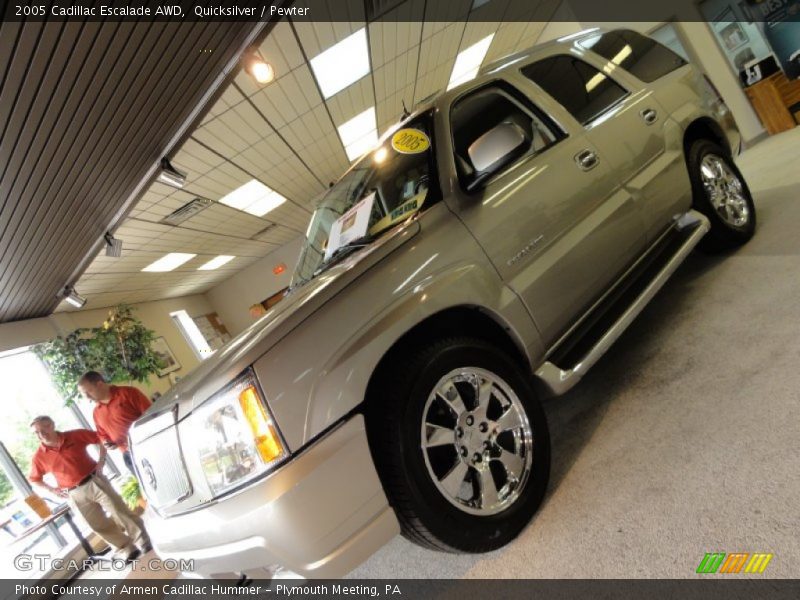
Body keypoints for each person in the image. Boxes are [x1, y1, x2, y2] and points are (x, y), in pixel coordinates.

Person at [28, 416, 149, 560]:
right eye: (37, 432)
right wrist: (52, 490)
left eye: (44, 428)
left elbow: (101, 438)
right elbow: (34, 479)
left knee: (119, 511)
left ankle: (143, 540)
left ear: (52, 425)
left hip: (95, 481)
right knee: (96, 525)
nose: (41, 434)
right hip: (73, 493)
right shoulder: (39, 457)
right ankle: (126, 548)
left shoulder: (74, 435)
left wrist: (102, 460)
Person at [77, 371, 151, 473]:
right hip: (128, 455)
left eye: (88, 392)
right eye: (83, 394)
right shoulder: (96, 413)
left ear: (100, 384)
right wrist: (107, 442)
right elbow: (102, 435)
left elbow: (151, 415)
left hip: (148, 445)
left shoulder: (128, 393)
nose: (86, 397)